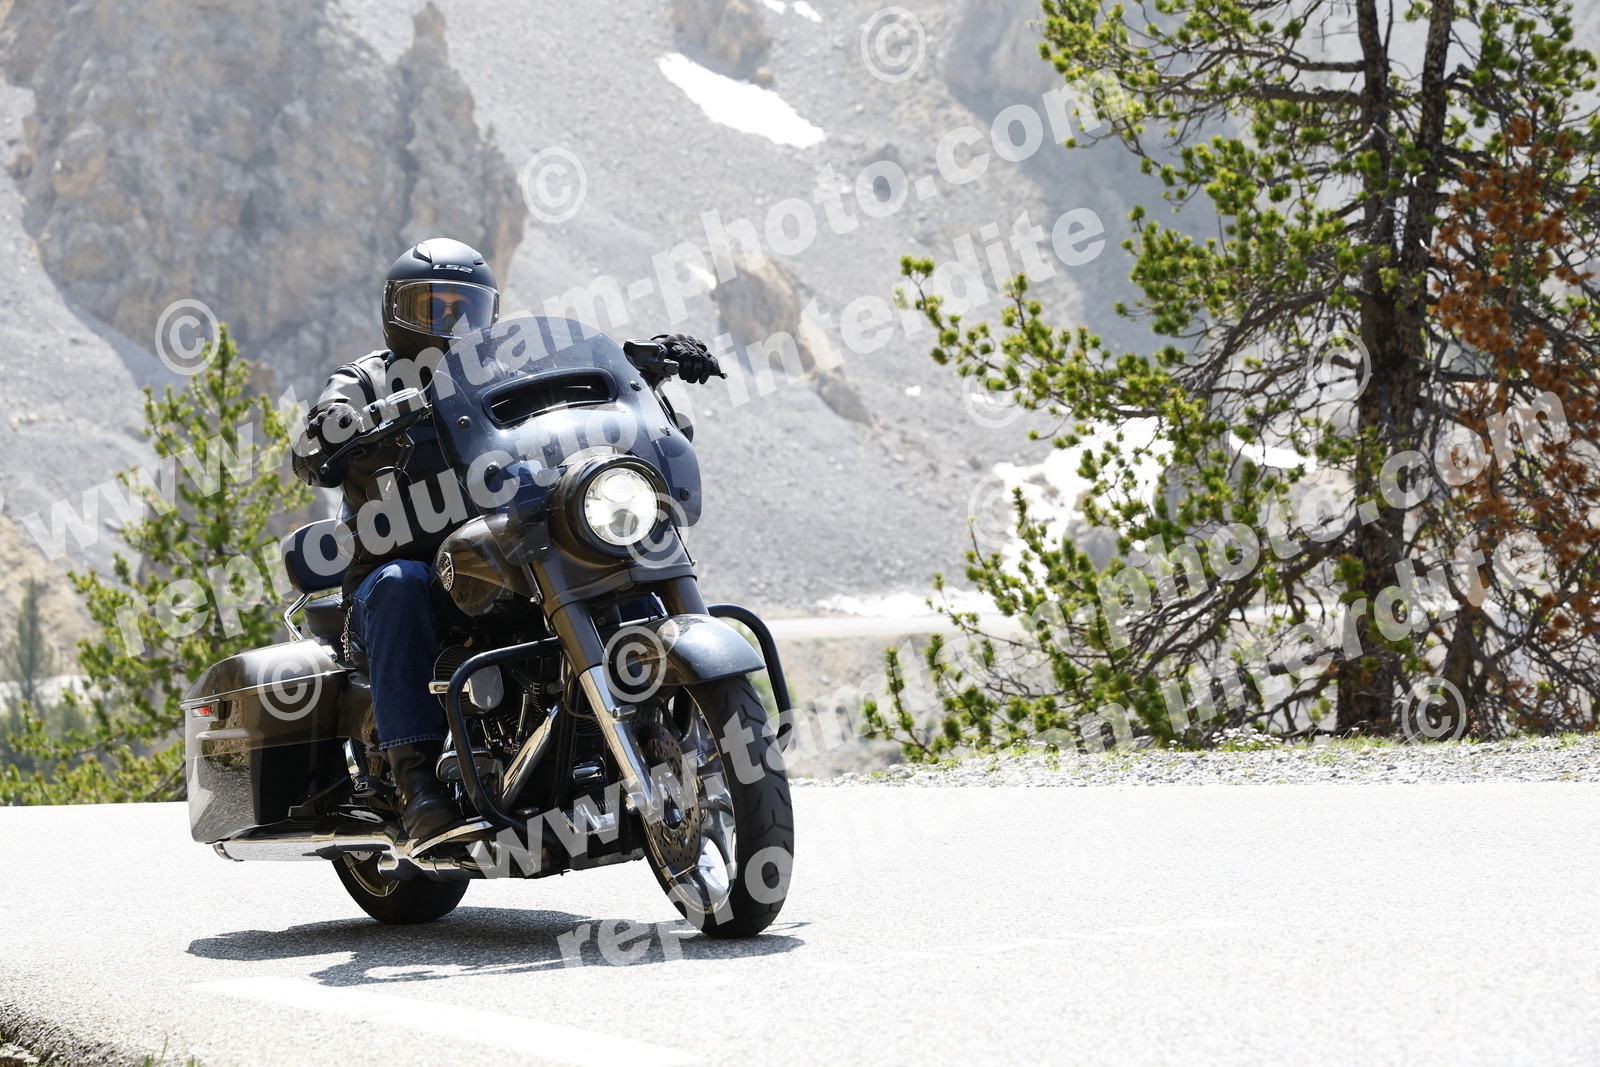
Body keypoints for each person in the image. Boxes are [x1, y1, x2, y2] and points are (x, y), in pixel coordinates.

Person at [292, 237, 723, 848]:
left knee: (610, 552)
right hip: (415, 572)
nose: (449, 321)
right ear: (395, 312)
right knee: (397, 585)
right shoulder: (368, 379)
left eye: (465, 306)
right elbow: (314, 444)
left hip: (506, 550)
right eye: (431, 306)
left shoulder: (503, 365)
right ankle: (417, 785)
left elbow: (569, 392)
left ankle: (676, 728)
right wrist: (334, 427)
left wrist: (644, 360)